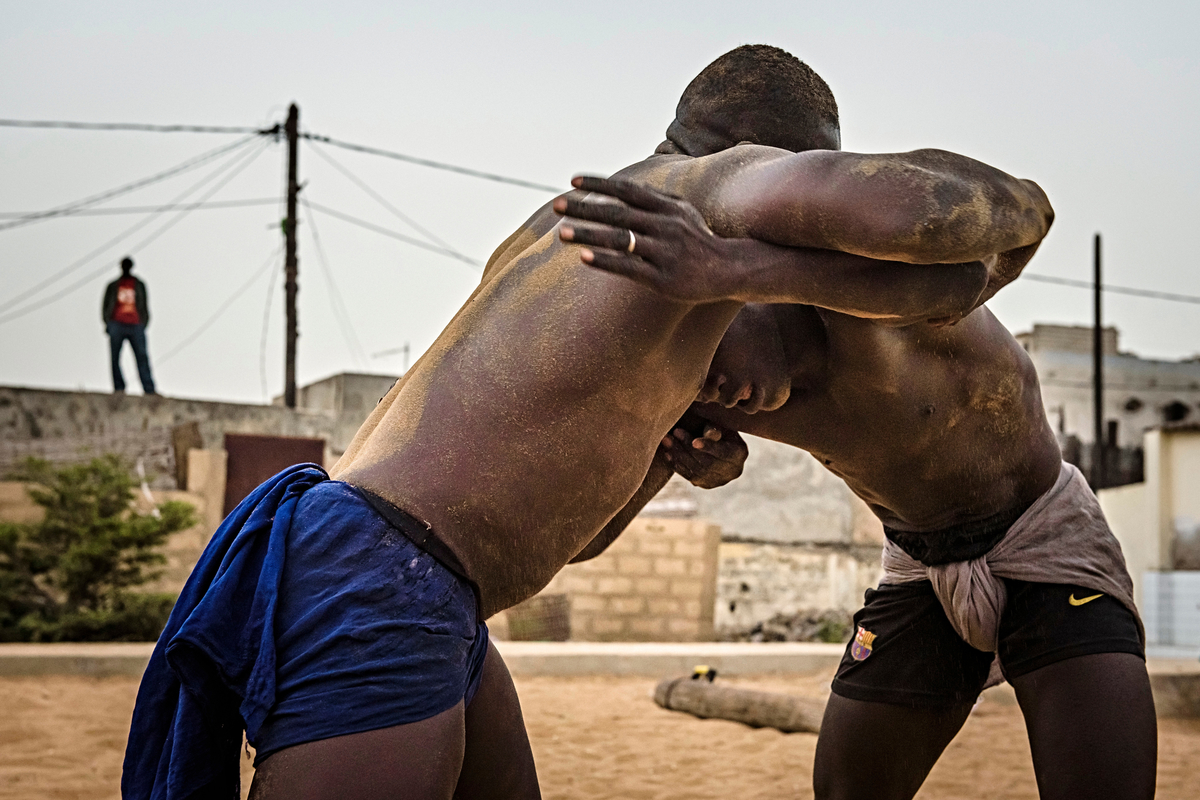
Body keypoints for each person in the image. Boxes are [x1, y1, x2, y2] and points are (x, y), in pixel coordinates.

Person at [123, 45, 1055, 800]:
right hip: (388, 569)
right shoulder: (712, 188)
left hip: (419, 577)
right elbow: (945, 216)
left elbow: (580, 536)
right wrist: (1006, 212)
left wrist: (663, 455)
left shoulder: (565, 231)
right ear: (766, 155)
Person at [558, 151, 1154, 799]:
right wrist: (706, 466)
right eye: (692, 385)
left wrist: (730, 262)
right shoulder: (709, 385)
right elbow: (584, 539)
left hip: (1042, 536)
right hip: (918, 565)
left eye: (708, 363)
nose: (710, 394)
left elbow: (1025, 216)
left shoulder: (857, 305)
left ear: (731, 299)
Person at [102, 256, 157, 395]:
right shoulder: (113, 285)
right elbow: (106, 304)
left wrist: (143, 322)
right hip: (117, 324)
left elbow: (144, 303)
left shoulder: (138, 284)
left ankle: (149, 389)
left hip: (136, 325)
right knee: (115, 358)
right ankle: (119, 388)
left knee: (142, 357)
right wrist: (108, 322)